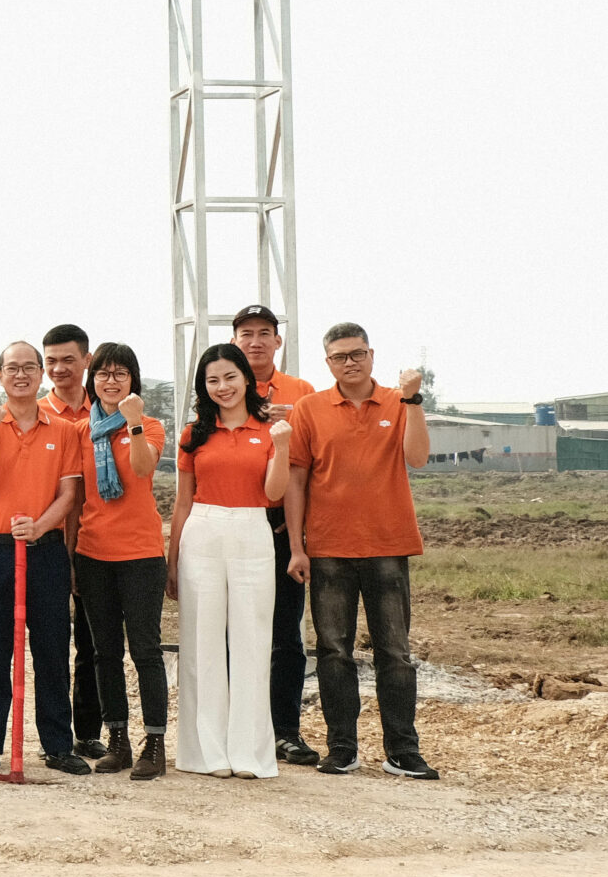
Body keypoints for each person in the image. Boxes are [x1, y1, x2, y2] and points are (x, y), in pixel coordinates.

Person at [288, 323, 436, 779]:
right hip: (329, 546)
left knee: (395, 651)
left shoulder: (398, 401)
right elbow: (296, 479)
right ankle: (342, 748)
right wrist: (296, 546)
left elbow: (417, 457)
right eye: (340, 356)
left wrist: (413, 400)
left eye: (357, 354)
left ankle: (402, 751)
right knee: (334, 650)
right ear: (327, 362)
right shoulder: (310, 409)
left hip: (388, 544)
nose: (349, 363)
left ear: (372, 355)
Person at [168, 342, 290, 779]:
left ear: (247, 379)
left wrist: (283, 446)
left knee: (252, 641)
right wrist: (172, 560)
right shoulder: (194, 434)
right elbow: (182, 502)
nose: (223, 387)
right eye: (212, 380)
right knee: (200, 642)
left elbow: (274, 493)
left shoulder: (270, 430)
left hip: (252, 531)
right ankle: (205, 753)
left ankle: (249, 753)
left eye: (230, 377)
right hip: (202, 530)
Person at [0, 342, 85, 774]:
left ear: (40, 374)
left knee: (52, 651)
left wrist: (39, 526)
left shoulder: (64, 430)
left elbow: (69, 494)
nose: (21, 375)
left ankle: (57, 745)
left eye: (29, 367)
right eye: (12, 368)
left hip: (46, 552)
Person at [68, 343, 170, 779]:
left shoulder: (150, 425)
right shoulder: (80, 432)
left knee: (145, 650)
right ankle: (118, 741)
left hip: (141, 555)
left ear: (133, 380)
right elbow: (74, 499)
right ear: (93, 381)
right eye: (103, 373)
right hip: (93, 553)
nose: (111, 381)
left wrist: (134, 424)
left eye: (120, 373)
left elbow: (144, 469)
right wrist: (71, 557)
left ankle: (155, 743)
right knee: (104, 652)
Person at [232, 303, 322, 766]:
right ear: (234, 341)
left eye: (264, 333)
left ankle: (285, 729)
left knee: (285, 632)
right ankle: (238, 727)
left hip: (281, 523)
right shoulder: (224, 388)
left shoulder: (302, 392)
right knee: (236, 628)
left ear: (277, 341)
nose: (255, 342)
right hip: (237, 517)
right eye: (246, 333)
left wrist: (299, 523)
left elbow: (311, 465)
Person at [40, 323, 109, 763]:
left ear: (87, 360)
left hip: (94, 541)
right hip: (46, 543)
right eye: (51, 361)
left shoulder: (104, 412)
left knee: (92, 642)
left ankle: (88, 731)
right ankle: (54, 736)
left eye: (69, 359)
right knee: (50, 644)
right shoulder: (34, 414)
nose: (59, 368)